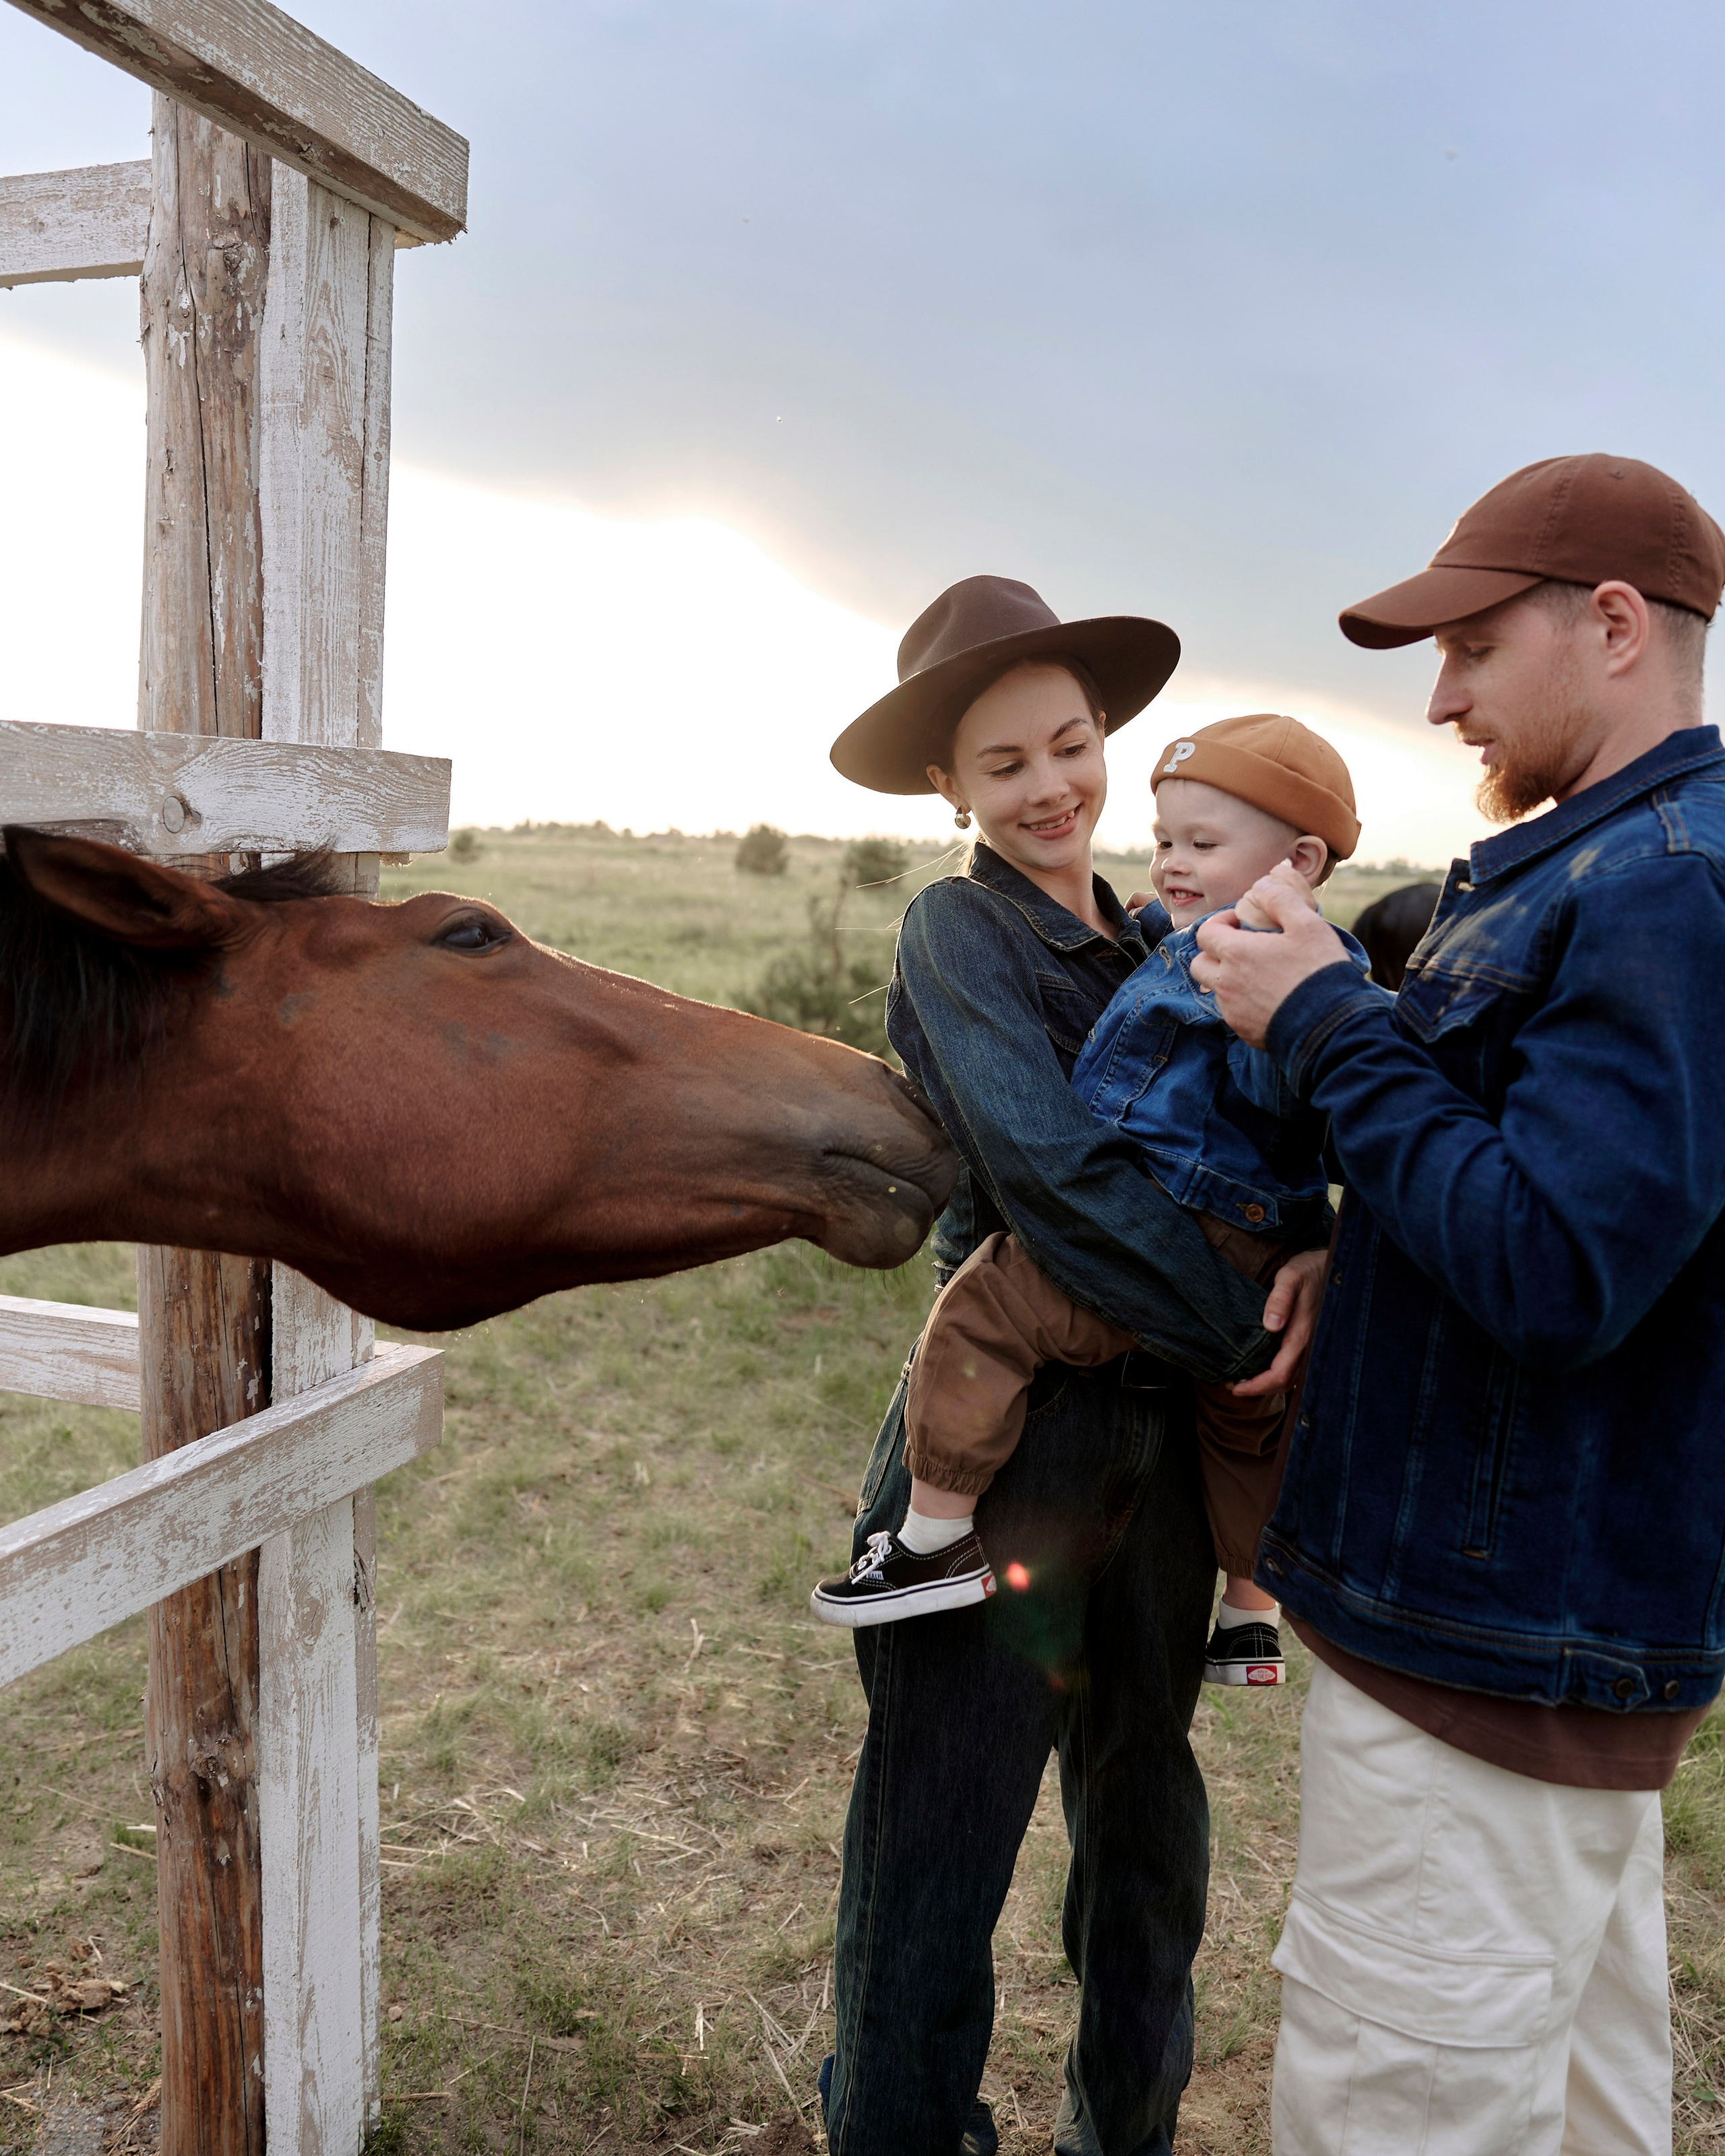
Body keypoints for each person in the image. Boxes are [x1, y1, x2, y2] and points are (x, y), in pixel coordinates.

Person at [1189, 453, 1725, 2155]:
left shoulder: (1655, 889)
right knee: (1571, 2108)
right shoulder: (1609, 868)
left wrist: (1322, 1021)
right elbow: (1580, 1205)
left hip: (1486, 1655)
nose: (1439, 699)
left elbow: (1557, 1270)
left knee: (1397, 2109)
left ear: (1615, 626)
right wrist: (1370, 1243)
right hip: (1527, 1645)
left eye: (1473, 649)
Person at [815, 574, 1329, 2156]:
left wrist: (1314, 1246)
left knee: (1145, 1839)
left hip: (1157, 1459)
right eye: (1003, 763)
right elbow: (1050, 1175)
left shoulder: (1170, 932)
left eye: (1070, 744)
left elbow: (1266, 1138)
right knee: (936, 1854)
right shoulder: (956, 930)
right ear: (945, 786)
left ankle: (1124, 2133)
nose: (1050, 787)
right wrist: (1241, 1331)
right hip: (1014, 1443)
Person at [809, 714, 1371, 1692]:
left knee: (988, 1305)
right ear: (952, 785)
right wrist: (1279, 1288)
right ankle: (1251, 1610)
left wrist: (1286, 1279)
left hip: (1181, 1240)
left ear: (1301, 861)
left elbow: (1289, 1111)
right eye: (1165, 842)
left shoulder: (1265, 962)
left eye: (1201, 845)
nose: (1173, 863)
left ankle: (933, 1539)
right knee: (1246, 1422)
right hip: (1219, 1264)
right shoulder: (1014, 927)